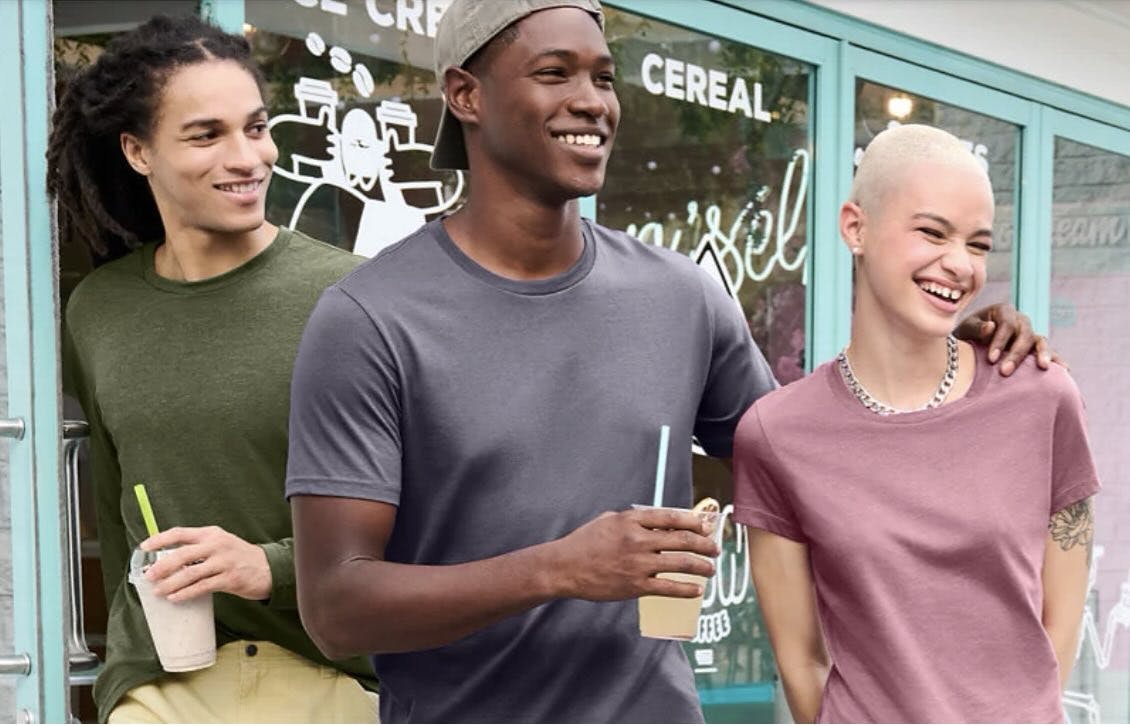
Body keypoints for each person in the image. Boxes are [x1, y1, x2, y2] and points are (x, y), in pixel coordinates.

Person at [285, 2, 1053, 723]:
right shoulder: (368, 321)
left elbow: (820, 464)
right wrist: (559, 569)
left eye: (603, 77)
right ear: (466, 95)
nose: (593, 101)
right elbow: (336, 609)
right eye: (555, 74)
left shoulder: (681, 298)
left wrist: (947, 347)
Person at [49, 15, 377, 723]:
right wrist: (118, 683)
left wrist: (274, 567)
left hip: (337, 680)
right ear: (138, 151)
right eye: (207, 135)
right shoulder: (98, 309)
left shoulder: (359, 298)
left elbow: (434, 516)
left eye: (256, 128)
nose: (248, 157)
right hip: (161, 687)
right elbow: (114, 508)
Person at [733, 124, 1099, 723]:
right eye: (932, 232)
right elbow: (801, 659)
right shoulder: (776, 435)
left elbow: (1060, 623)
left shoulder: (1041, 395)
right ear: (856, 227)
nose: (958, 264)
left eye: (978, 244)